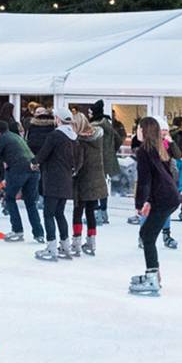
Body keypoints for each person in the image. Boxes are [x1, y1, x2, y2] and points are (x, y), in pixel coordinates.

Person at [130, 116, 180, 296]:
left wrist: (140, 202)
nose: (136, 131)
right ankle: (154, 273)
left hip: (164, 198)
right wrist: (149, 200)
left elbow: (145, 180)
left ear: (144, 130)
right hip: (168, 196)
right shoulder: (158, 148)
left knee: (148, 236)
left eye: (138, 128)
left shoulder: (144, 150)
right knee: (146, 234)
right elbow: (158, 176)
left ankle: (152, 276)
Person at [27, 106, 79, 261]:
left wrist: (34, 162)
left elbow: (43, 153)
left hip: (53, 180)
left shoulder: (55, 135)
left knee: (48, 214)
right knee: (59, 213)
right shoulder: (74, 137)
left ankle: (51, 248)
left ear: (58, 119)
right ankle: (65, 246)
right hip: (66, 180)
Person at [0, 116, 36, 241]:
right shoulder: (16, 137)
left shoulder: (0, 139)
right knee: (30, 202)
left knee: (9, 198)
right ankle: (38, 233)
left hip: (18, 170)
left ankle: (17, 231)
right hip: (33, 170)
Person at [70, 110, 106, 256]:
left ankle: (76, 242)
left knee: (78, 212)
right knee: (90, 211)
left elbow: (78, 164)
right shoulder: (97, 138)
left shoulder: (80, 142)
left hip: (83, 180)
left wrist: (72, 171)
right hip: (97, 179)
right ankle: (91, 242)